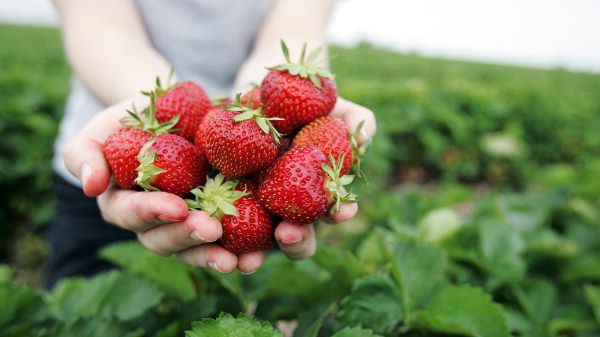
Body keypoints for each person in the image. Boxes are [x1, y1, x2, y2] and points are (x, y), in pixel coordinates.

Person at [46, 0, 377, 288]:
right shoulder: (151, 147)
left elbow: (295, 25)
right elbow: (102, 28)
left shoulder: (282, 154)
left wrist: (262, 97)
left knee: (263, 301)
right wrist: (152, 105)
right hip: (127, 145)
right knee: (80, 299)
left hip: (257, 181)